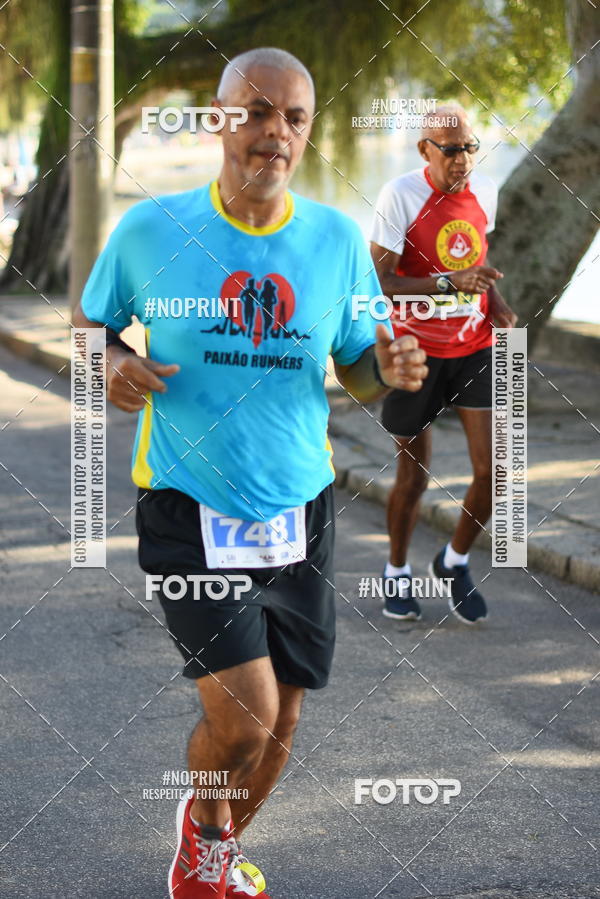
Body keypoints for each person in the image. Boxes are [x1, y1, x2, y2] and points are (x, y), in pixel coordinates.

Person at [73, 47, 427, 899]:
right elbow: (91, 325)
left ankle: (206, 857)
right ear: (220, 120)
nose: (276, 133)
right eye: (259, 112)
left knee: (285, 719)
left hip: (302, 508)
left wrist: (394, 369)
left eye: (294, 118)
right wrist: (111, 362)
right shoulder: (150, 232)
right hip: (189, 506)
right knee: (247, 714)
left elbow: (358, 368)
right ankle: (202, 844)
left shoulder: (335, 240)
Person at [370, 105, 516, 626]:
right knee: (414, 477)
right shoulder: (400, 195)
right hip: (416, 353)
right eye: (450, 149)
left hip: (472, 347)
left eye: (470, 147)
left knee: (493, 472)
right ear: (425, 150)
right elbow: (378, 282)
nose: (463, 159)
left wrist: (494, 304)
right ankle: (395, 571)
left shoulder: (485, 191)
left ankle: (452, 561)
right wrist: (444, 286)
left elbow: (476, 256)